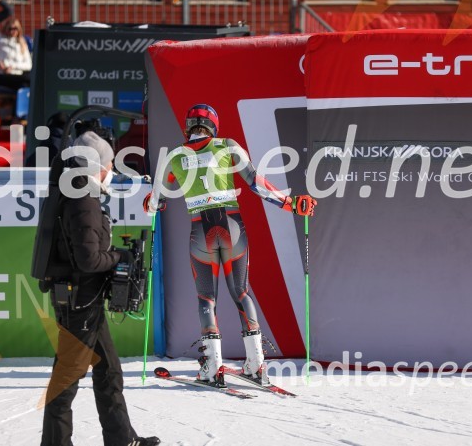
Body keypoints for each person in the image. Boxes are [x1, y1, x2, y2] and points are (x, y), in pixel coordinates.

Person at [144, 104, 316, 386]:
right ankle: (256, 365)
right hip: (232, 225)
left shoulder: (174, 155)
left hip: (201, 228)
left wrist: (152, 204)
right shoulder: (228, 145)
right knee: (241, 291)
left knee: (206, 298)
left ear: (188, 126)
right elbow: (256, 184)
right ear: (214, 125)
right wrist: (292, 204)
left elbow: (154, 203)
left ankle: (212, 367)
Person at [40, 131, 159, 446]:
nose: (111, 171)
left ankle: (122, 439)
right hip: (80, 299)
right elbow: (89, 259)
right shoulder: (82, 199)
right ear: (96, 166)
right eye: (107, 164)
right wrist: (120, 256)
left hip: (83, 299)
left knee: (109, 371)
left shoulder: (78, 192)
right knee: (67, 379)